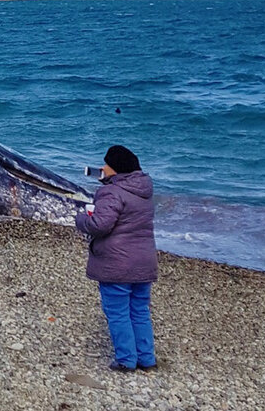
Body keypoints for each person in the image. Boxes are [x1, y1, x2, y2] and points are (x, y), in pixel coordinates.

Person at [75, 144, 158, 372]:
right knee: (139, 310)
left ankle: (126, 359)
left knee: (118, 312)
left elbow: (100, 225)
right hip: (144, 260)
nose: (102, 167)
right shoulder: (145, 191)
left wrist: (81, 219)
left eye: (107, 164)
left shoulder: (112, 192)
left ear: (115, 169)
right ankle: (146, 358)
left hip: (117, 262)